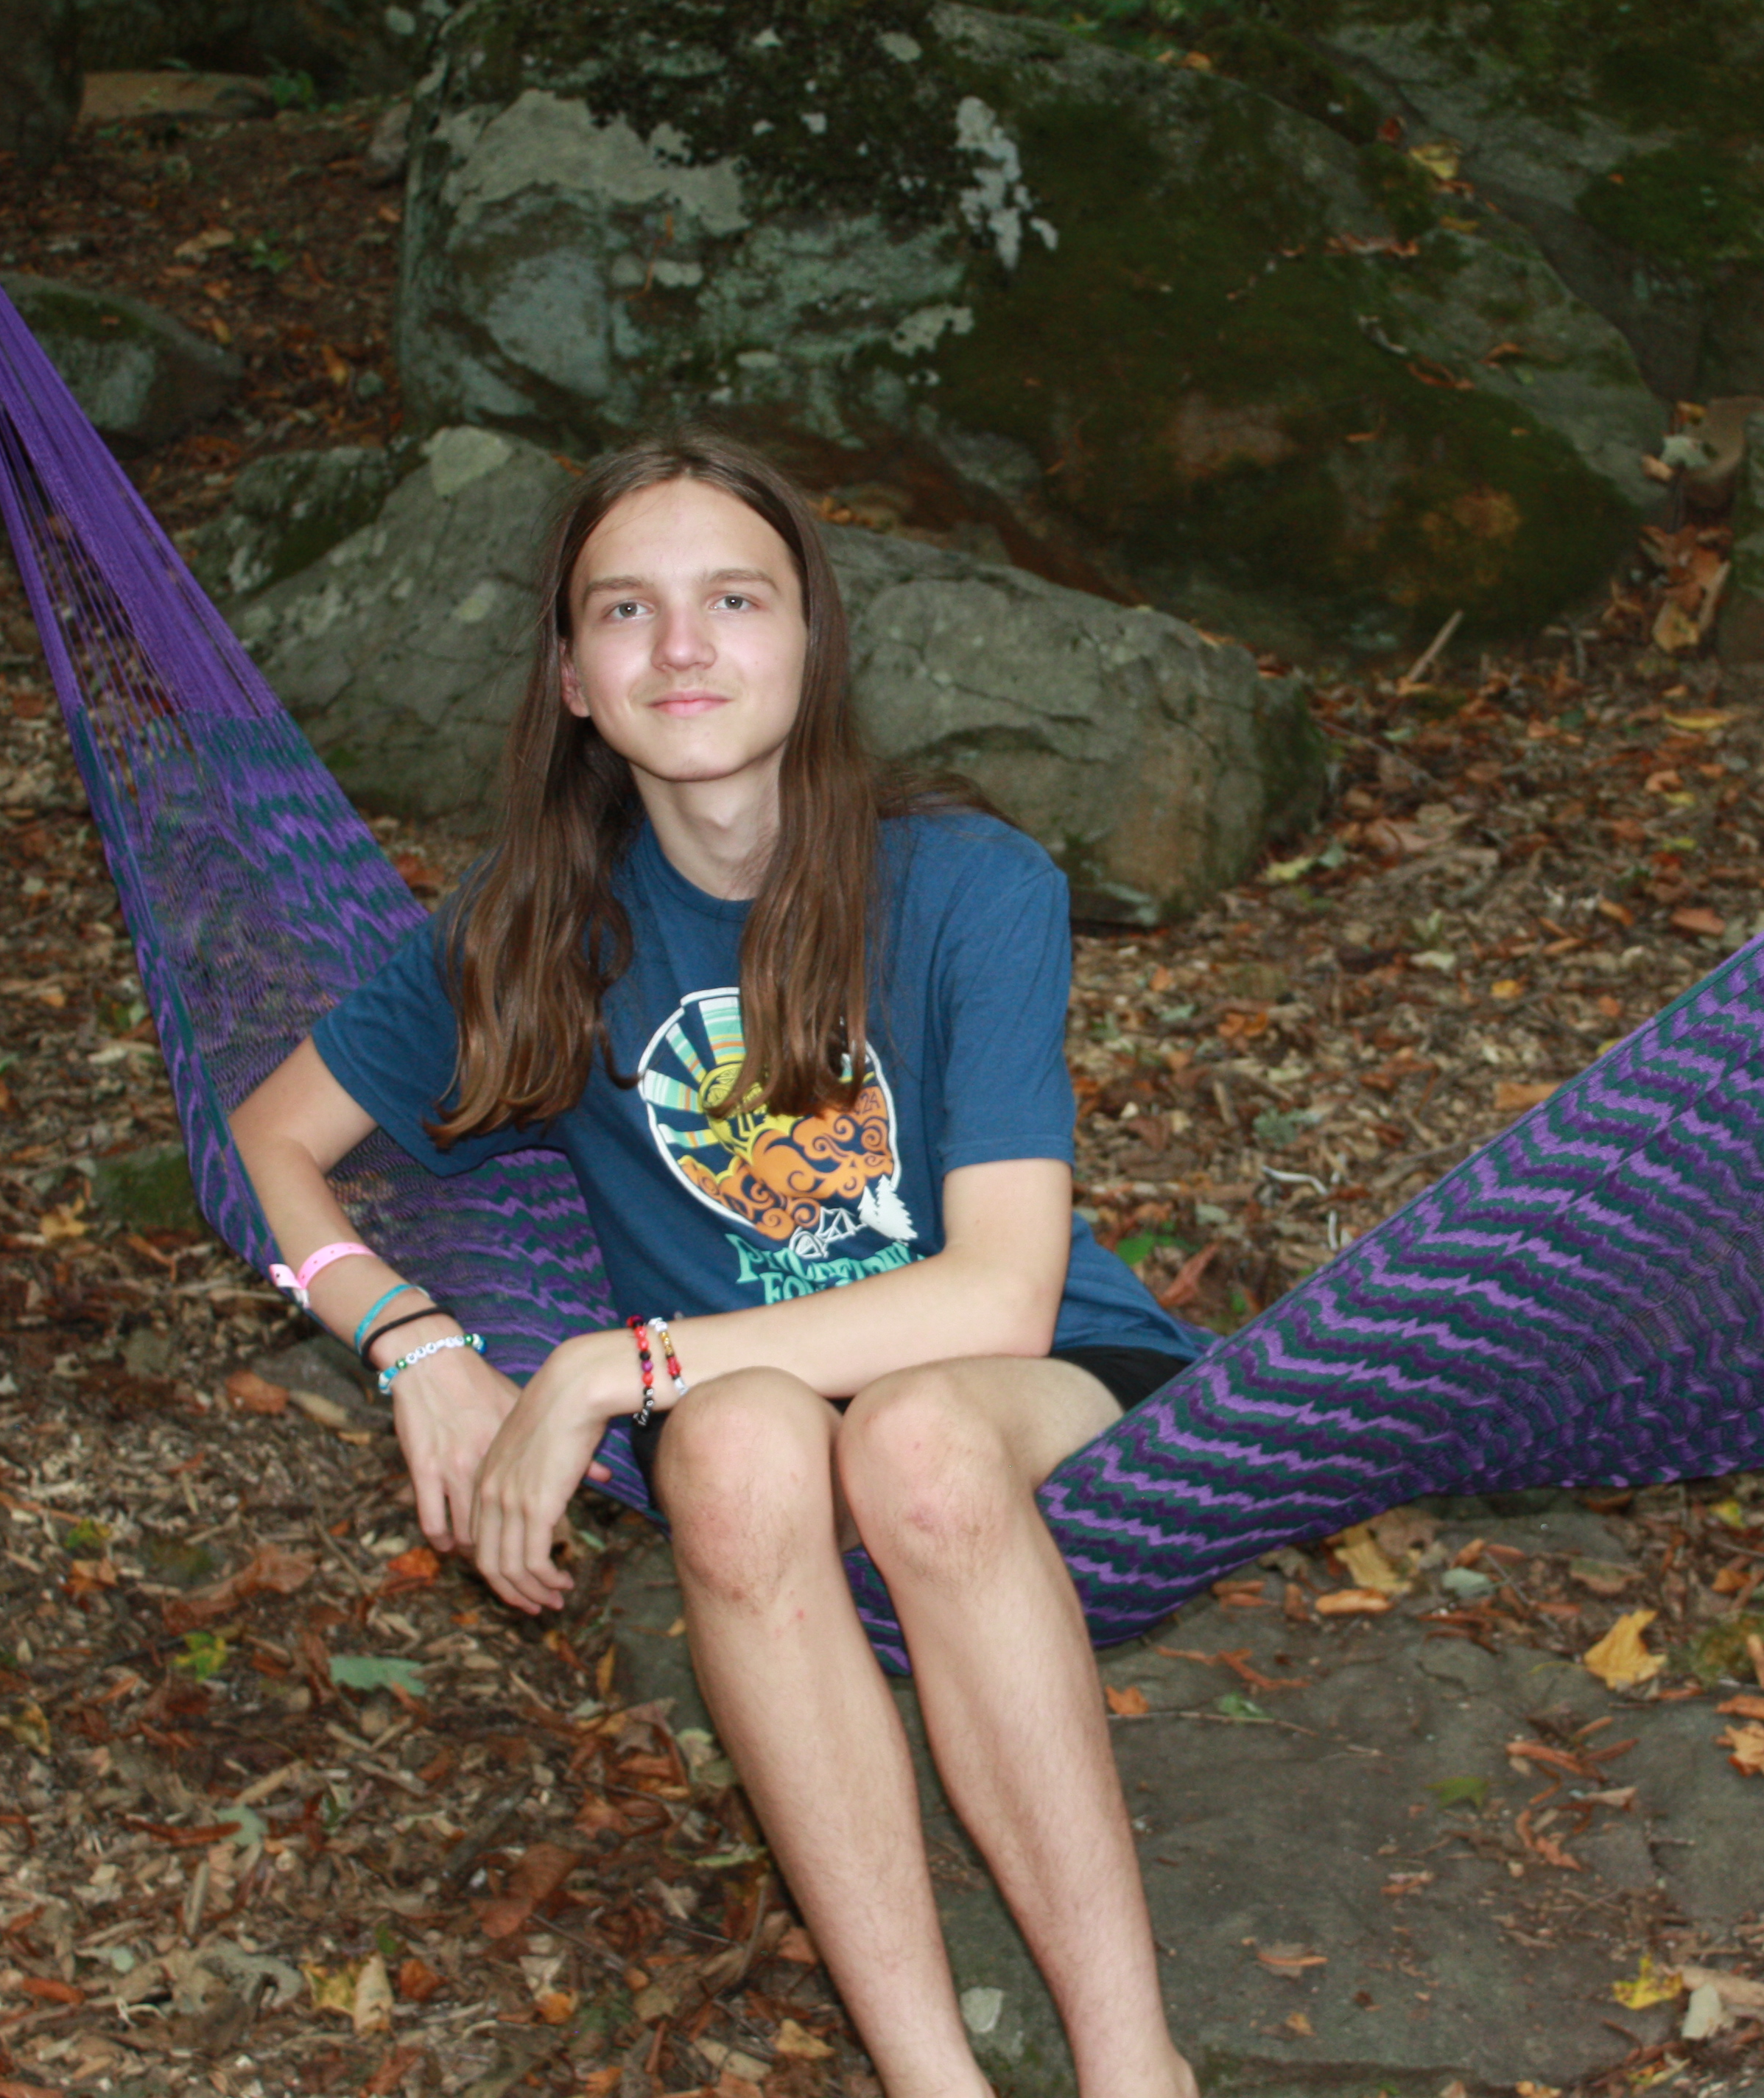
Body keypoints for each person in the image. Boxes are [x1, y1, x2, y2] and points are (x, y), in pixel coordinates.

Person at [227, 429, 1207, 2098]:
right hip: (761, 1405)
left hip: (1042, 1383)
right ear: (574, 678)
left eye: (735, 599)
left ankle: (1137, 2077)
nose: (682, 645)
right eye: (627, 608)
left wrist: (606, 1368)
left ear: (813, 642)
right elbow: (268, 1141)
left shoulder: (969, 886)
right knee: (737, 1452)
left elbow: (1003, 1294)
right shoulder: (537, 925)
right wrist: (415, 1343)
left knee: (914, 1436)